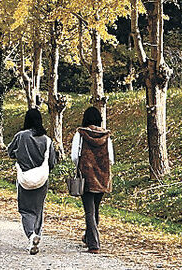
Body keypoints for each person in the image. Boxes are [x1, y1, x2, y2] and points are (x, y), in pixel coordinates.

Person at [7, 108, 58, 255]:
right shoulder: (47, 140)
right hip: (42, 179)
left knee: (25, 210)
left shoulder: (21, 136)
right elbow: (52, 162)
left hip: (24, 178)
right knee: (38, 209)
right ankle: (37, 234)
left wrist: (21, 155)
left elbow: (10, 152)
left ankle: (31, 235)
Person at [71, 106, 114, 254]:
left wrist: (80, 167)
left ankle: (94, 244)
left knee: (89, 210)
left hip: (87, 175)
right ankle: (88, 237)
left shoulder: (81, 134)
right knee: (95, 208)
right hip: (103, 176)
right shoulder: (106, 136)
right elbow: (111, 159)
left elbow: (75, 156)